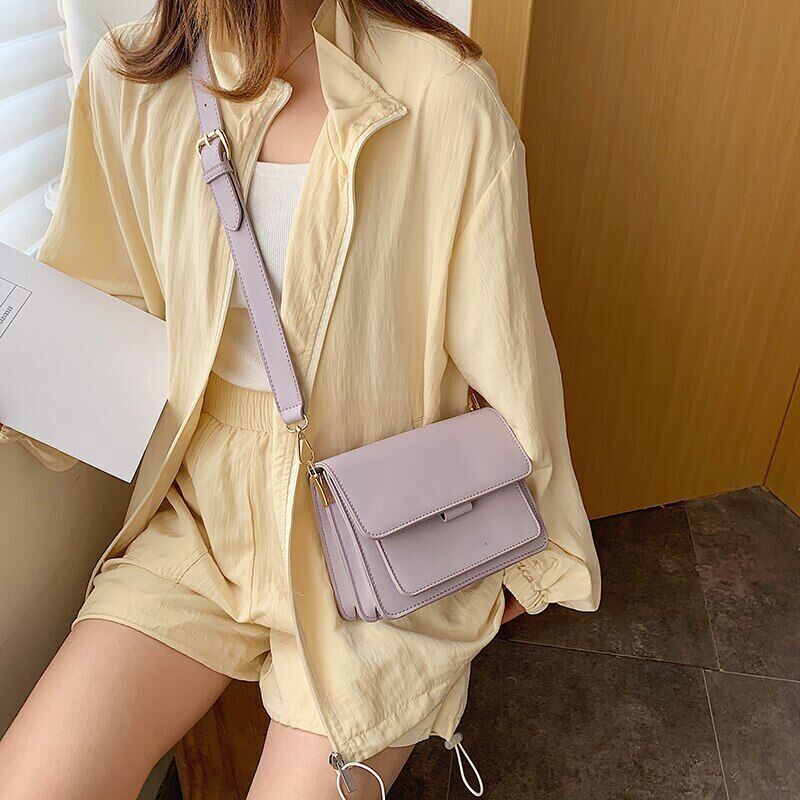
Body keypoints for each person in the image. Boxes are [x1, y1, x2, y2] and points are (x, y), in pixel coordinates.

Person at [0, 1, 601, 797]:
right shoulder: (125, 80)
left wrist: (528, 554)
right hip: (201, 523)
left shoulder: (442, 93)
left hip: (379, 529)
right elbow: (103, 291)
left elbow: (509, 350)